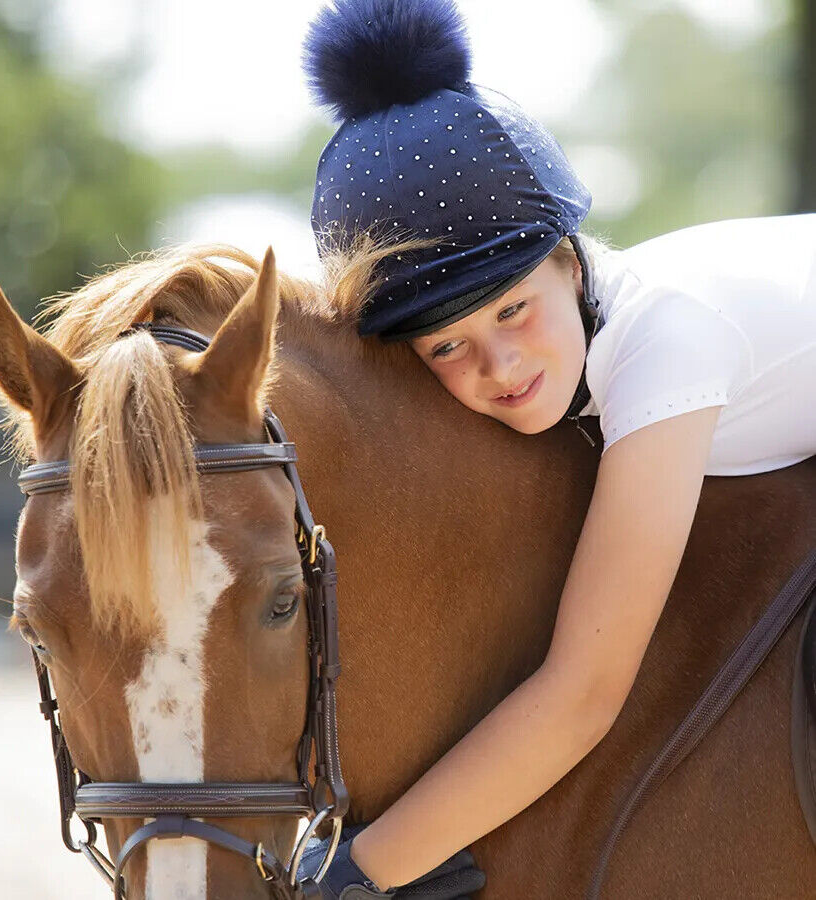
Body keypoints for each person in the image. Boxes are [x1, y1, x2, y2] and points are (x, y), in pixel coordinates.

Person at [297, 1, 816, 896]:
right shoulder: (584, 338)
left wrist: (356, 875)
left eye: (512, 309)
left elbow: (583, 694)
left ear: (570, 264)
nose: (499, 366)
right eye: (446, 346)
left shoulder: (666, 349)